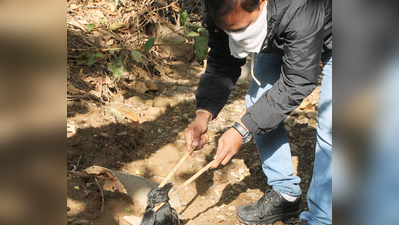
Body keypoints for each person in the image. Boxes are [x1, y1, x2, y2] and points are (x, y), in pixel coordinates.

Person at [184, 0, 332, 224]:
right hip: (280, 26)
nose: (238, 36)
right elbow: (222, 62)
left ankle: (323, 218)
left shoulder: (298, 5)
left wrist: (242, 130)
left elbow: (298, 80)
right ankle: (285, 194)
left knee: (334, 128)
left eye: (244, 28)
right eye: (230, 31)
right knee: (258, 99)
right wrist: (203, 114)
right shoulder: (219, 6)